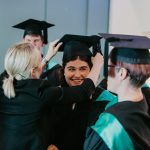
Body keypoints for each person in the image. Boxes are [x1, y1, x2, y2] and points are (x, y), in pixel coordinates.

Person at [0, 40, 103, 150]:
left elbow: (17, 71)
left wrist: (47, 57)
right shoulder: (41, 92)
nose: (77, 74)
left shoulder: (3, 86)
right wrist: (97, 64)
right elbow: (84, 90)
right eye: (40, 63)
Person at [84, 33, 150, 150]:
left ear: (121, 73)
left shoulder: (109, 129)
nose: (106, 75)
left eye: (108, 67)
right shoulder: (143, 107)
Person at [45, 34, 102, 150]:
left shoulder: (102, 101)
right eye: (71, 69)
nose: (77, 75)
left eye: (83, 69)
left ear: (92, 70)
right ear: (64, 70)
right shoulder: (56, 96)